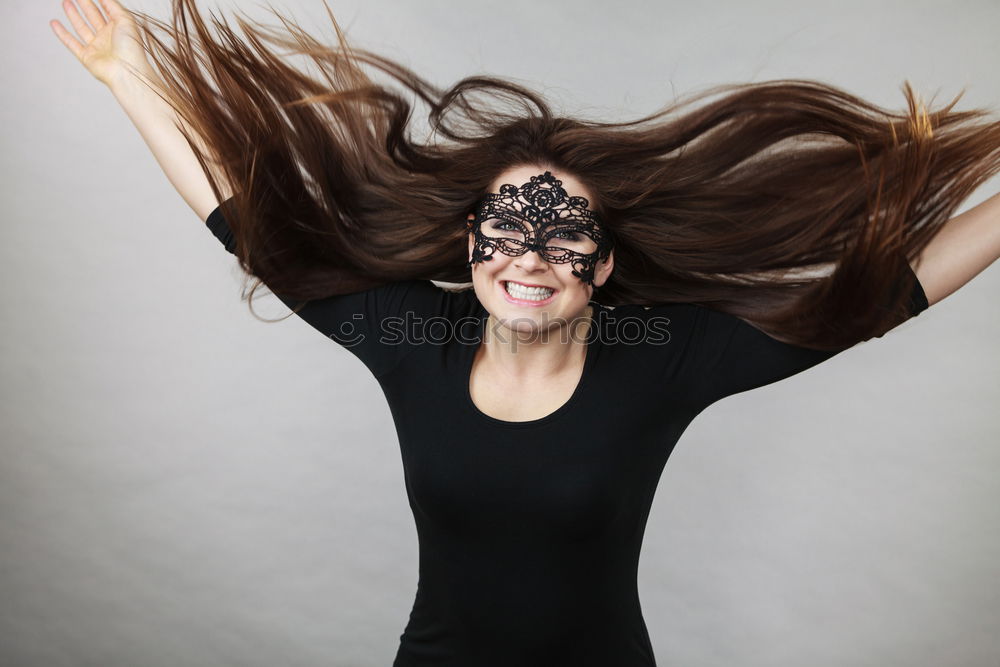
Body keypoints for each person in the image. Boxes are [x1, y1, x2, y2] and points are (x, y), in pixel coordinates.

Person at [51, 1, 1000, 665]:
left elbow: (887, 297)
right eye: (505, 232)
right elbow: (245, 225)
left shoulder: (659, 359)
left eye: (562, 237)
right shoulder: (410, 337)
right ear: (471, 248)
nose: (530, 256)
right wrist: (131, 74)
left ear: (603, 265)